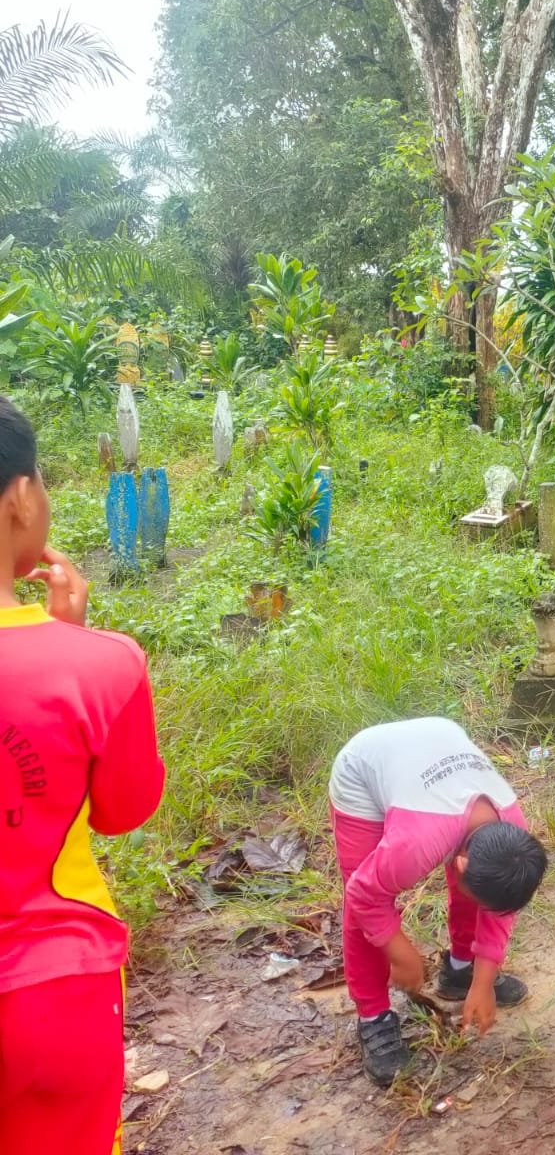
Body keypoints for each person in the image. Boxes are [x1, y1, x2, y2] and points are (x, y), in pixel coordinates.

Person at [0, 395, 166, 1155]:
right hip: (49, 987)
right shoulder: (104, 664)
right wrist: (67, 643)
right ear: (23, 497)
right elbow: (123, 810)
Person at [329, 717, 548, 1085]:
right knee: (363, 910)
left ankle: (459, 972)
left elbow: (498, 911)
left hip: (435, 750)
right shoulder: (414, 845)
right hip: (363, 767)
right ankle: (373, 1016)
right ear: (458, 862)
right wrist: (398, 950)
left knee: (479, 891)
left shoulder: (513, 836)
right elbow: (364, 895)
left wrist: (482, 982)